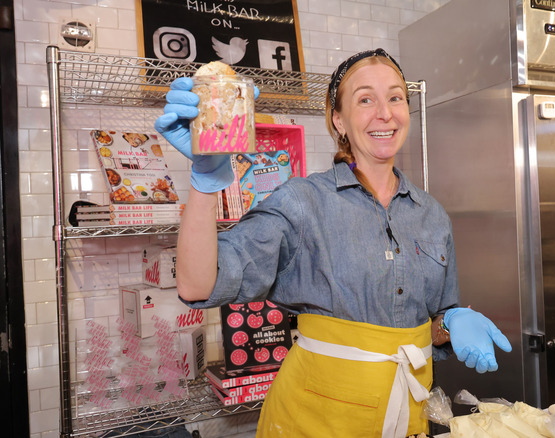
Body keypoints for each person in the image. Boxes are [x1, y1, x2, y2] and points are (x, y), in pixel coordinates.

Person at [155, 49, 512, 438]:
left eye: (395, 97)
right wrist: (205, 181)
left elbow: (430, 325)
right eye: (365, 100)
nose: (385, 113)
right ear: (338, 121)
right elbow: (197, 284)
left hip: (407, 415)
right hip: (315, 421)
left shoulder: (432, 214)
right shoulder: (303, 202)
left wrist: (453, 321)